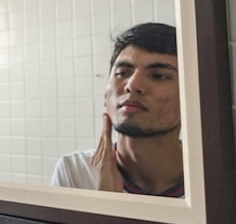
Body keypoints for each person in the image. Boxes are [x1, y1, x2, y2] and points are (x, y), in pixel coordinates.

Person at [50, 22, 183, 197]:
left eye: (158, 76)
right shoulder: (75, 173)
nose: (132, 85)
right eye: (122, 73)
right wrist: (106, 202)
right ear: (106, 95)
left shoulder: (212, 176)